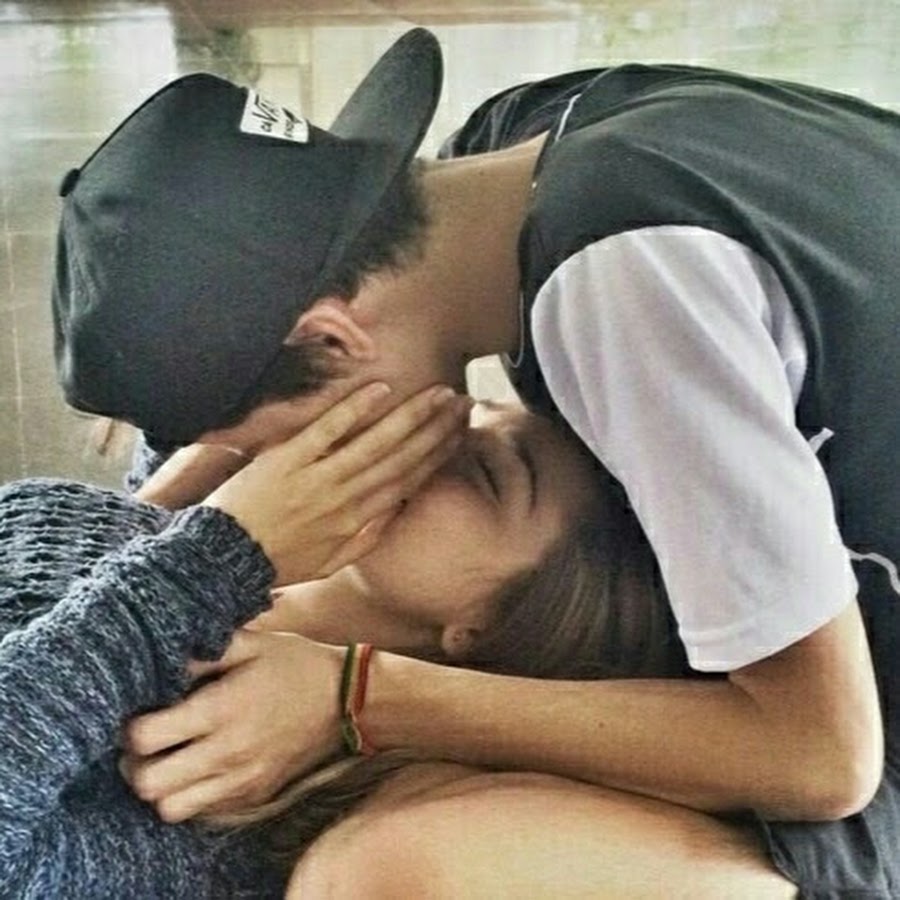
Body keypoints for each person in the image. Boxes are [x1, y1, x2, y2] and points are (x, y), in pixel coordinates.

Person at [52, 29, 899, 897]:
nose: (292, 471)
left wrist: (354, 700)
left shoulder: (622, 282)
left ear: (332, 339)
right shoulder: (515, 154)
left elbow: (823, 758)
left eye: (273, 442)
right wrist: (182, 529)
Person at [0, 393, 691, 898]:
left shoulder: (232, 802)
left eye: (486, 474)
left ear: (484, 627)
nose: (439, 433)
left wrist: (222, 555)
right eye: (474, 407)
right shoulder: (175, 545)